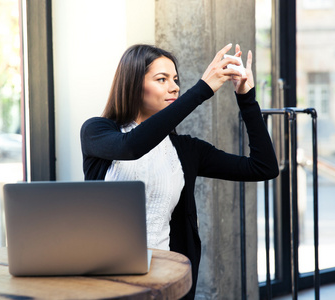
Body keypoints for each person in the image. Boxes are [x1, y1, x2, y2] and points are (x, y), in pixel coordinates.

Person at [80, 43, 279, 299]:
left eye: (175, 79)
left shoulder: (186, 150)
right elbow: (131, 147)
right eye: (161, 79)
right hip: (104, 277)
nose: (174, 87)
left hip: (164, 278)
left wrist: (246, 97)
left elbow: (263, 167)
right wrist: (202, 90)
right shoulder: (97, 131)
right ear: (132, 85)